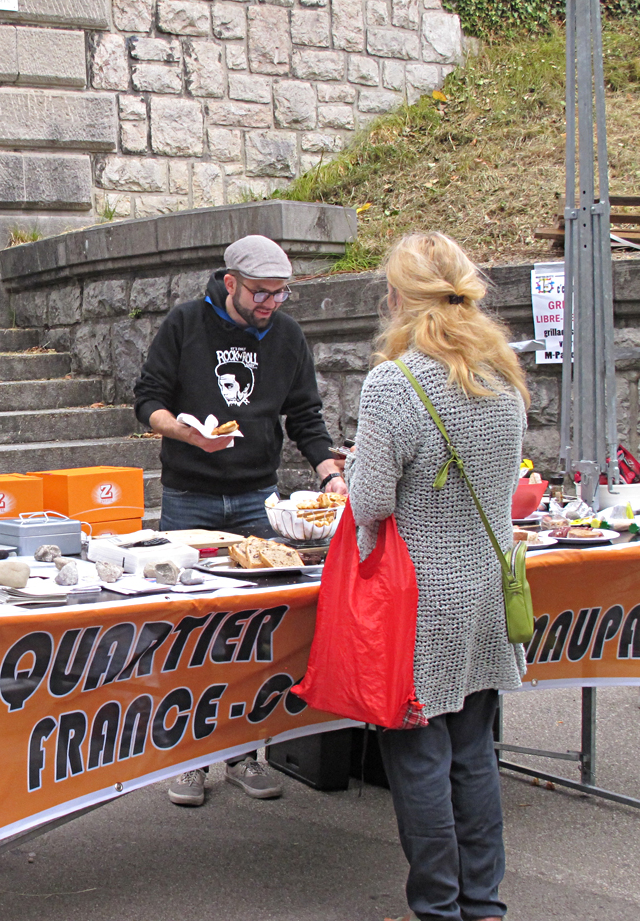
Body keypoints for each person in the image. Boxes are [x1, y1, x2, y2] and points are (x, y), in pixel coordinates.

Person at [344, 232, 527, 921]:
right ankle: (482, 903)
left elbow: (371, 501)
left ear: (397, 298)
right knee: (474, 753)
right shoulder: (500, 372)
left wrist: (355, 464)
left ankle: (438, 907)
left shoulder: (396, 382)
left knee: (420, 757)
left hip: (416, 600)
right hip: (486, 588)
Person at [133, 234, 346, 808]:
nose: (270, 303)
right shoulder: (185, 323)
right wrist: (185, 433)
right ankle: (187, 760)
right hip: (189, 497)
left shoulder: (288, 335)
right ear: (230, 283)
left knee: (257, 631)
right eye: (260, 292)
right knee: (189, 629)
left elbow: (305, 415)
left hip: (258, 498)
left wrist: (330, 473)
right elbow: (147, 400)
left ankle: (245, 752)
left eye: (280, 293)